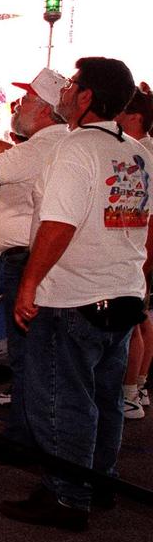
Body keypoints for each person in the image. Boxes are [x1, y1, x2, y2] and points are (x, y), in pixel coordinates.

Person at [1, 57, 149, 531]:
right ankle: (98, 481)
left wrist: (30, 283)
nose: (63, 91)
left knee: (64, 400)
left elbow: (58, 224)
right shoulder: (138, 153)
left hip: (74, 296)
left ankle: (67, 496)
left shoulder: (75, 149)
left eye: (70, 85)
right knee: (105, 397)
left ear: (86, 98)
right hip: (123, 290)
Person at [0, 69, 71, 436]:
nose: (19, 104)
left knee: (27, 355)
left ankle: (23, 439)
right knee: (38, 355)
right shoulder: (53, 144)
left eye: (27, 100)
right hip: (34, 258)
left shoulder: (42, 147)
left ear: (44, 111)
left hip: (23, 259)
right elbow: (12, 154)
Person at [115, 84, 153, 419]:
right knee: (139, 320)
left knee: (135, 323)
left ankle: (130, 393)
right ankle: (136, 387)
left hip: (138, 251)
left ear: (136, 117)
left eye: (122, 112)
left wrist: (145, 261)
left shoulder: (143, 152)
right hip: (137, 252)